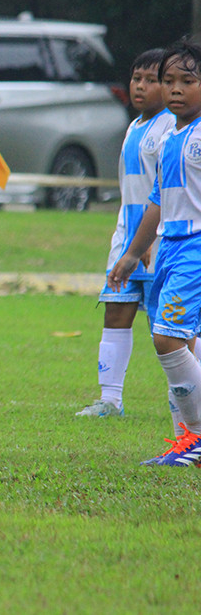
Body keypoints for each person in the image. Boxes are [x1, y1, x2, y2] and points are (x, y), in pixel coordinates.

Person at [108, 38, 201, 465]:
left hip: (195, 247)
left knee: (167, 337)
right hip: (169, 248)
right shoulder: (171, 139)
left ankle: (197, 437)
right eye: (169, 81)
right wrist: (132, 253)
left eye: (188, 80)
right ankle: (186, 444)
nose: (175, 89)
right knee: (181, 342)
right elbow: (158, 202)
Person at [76, 49, 175, 418]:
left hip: (159, 240)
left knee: (169, 324)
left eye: (152, 80)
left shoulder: (172, 128)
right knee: (116, 312)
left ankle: (183, 398)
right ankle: (110, 400)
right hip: (126, 237)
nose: (141, 86)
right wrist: (129, 240)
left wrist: (147, 240)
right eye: (137, 78)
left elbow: (166, 190)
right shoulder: (135, 126)